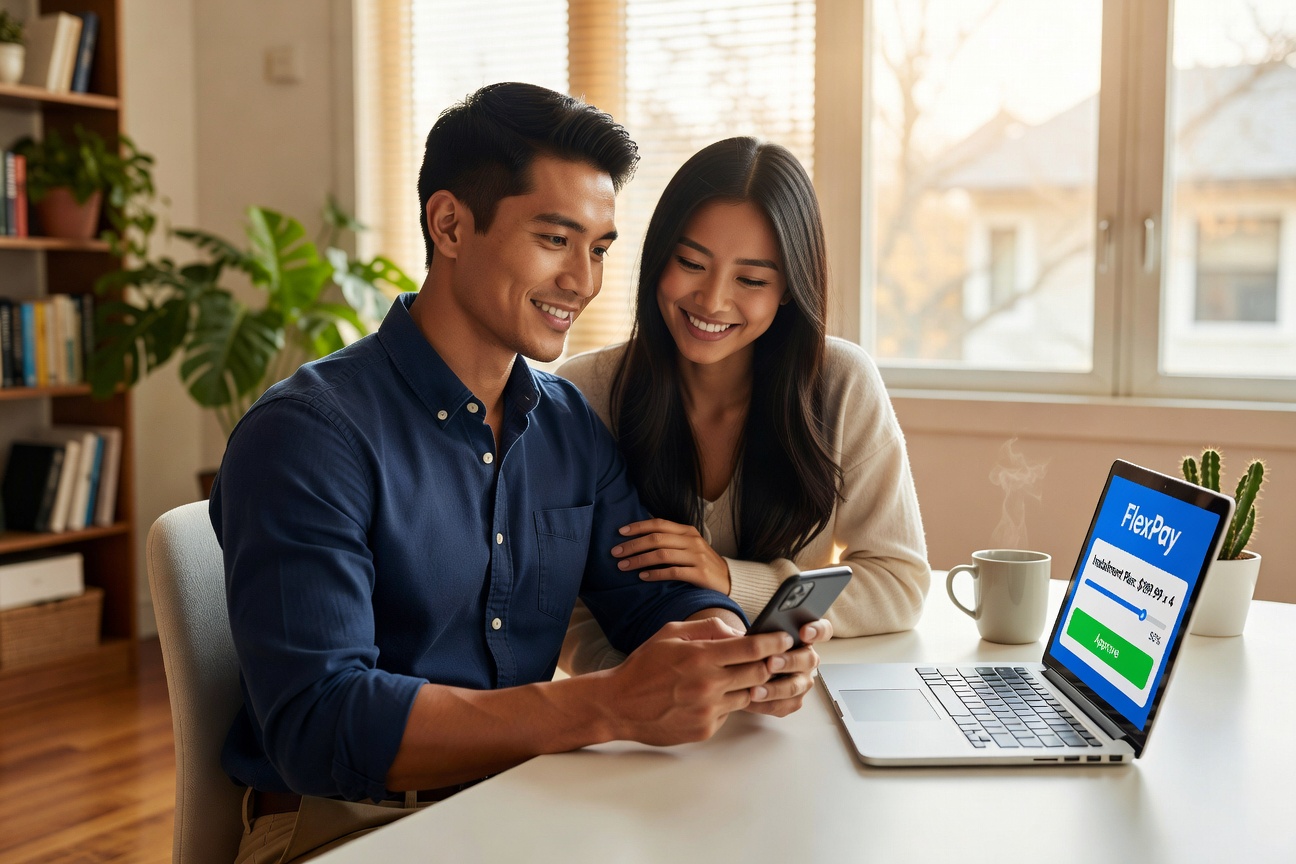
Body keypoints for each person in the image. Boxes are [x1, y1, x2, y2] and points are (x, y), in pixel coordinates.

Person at [210, 86, 833, 864]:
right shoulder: (308, 436)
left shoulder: (567, 425)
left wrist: (733, 649)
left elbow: (653, 595)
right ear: (450, 225)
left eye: (599, 248)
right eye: (554, 239)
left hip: (523, 803)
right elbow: (321, 723)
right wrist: (605, 704)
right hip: (345, 828)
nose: (583, 281)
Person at [558, 137, 930, 675]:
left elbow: (898, 581)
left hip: (789, 705)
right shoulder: (584, 391)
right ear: (658, 257)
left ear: (787, 289)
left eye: (751, 279)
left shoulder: (841, 383)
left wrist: (732, 580)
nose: (711, 301)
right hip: (638, 715)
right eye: (690, 262)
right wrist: (631, 682)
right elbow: (557, 598)